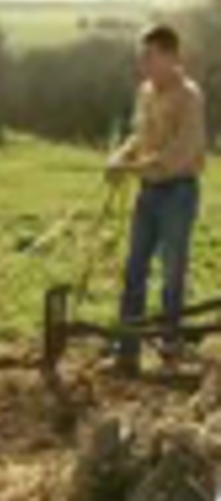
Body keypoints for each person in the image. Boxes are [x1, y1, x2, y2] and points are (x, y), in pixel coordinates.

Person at [106, 24, 207, 376]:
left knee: (172, 271)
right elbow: (139, 134)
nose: (143, 64)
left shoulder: (189, 97)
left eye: (149, 57)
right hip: (148, 193)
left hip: (178, 192)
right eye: (142, 57)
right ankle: (127, 351)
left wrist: (135, 167)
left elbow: (182, 152)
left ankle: (170, 350)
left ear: (170, 57)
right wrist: (120, 157)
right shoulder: (146, 92)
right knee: (134, 269)